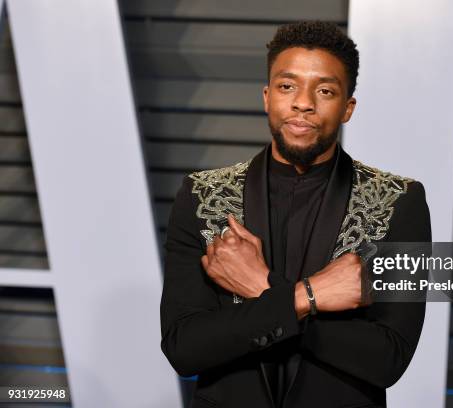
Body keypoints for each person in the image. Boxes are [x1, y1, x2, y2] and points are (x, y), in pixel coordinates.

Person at [160, 21, 431, 408]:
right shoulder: (202, 196)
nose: (303, 102)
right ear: (267, 97)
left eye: (324, 90)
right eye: (288, 86)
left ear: (348, 107)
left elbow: (389, 359)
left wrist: (263, 287)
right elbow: (183, 348)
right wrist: (309, 296)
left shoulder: (399, 201)